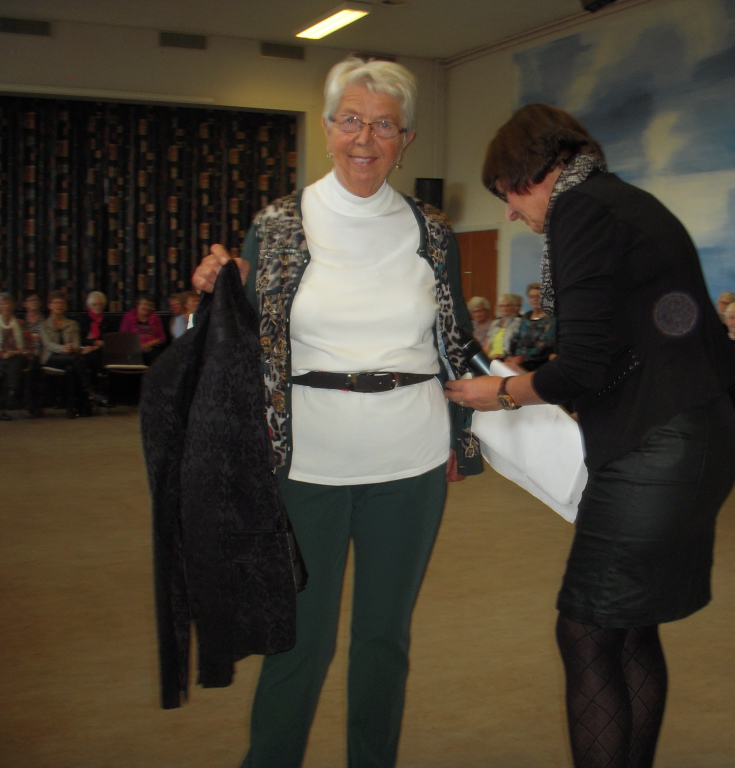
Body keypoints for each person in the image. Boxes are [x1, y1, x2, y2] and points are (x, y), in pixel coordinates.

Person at [191, 57, 480, 768]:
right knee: (299, 639)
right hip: (305, 464)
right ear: (326, 128)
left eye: (384, 125)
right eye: (351, 120)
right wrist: (212, 295)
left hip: (410, 461)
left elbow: (454, 341)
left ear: (406, 140)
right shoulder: (277, 225)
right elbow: (234, 342)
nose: (365, 138)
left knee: (384, 638)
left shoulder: (432, 231)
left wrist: (464, 439)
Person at [444, 103, 735, 768]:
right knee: (628, 627)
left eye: (507, 194)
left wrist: (498, 393)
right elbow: (620, 344)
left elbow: (581, 366)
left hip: (657, 448)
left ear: (534, 169)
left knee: (586, 633)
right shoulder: (622, 202)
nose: (510, 214)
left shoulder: (581, 210)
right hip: (694, 438)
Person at [39, 290, 92, 418]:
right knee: (74, 359)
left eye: (62, 303)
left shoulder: (72, 324)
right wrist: (63, 348)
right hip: (51, 358)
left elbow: (77, 343)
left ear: (65, 306)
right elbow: (48, 344)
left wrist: (71, 347)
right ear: (50, 305)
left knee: (70, 369)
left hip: (69, 357)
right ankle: (88, 391)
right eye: (56, 303)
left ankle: (71, 408)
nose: (59, 305)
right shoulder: (43, 324)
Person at [79, 290, 118, 405]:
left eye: (100, 304)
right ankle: (94, 394)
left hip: (104, 351)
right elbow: (80, 339)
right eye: (95, 304)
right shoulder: (83, 320)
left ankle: (100, 395)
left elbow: (111, 340)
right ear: (89, 306)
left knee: (97, 356)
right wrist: (95, 342)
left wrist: (94, 346)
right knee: (89, 358)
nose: (98, 307)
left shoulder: (109, 321)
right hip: (85, 350)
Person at [506, 282, 555, 371]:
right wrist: (509, 355)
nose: (535, 299)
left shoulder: (550, 320)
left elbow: (544, 345)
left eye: (538, 296)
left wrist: (524, 358)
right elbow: (515, 339)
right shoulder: (525, 317)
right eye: (532, 296)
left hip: (536, 363)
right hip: (517, 361)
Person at [119, 292, 167, 364]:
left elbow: (162, 337)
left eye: (150, 305)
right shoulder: (128, 317)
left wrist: (149, 344)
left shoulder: (156, 319)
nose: (147, 307)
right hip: (133, 348)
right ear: (138, 305)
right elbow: (123, 337)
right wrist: (139, 346)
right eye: (145, 304)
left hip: (152, 348)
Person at [0, 293, 26, 420]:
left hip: (17, 356)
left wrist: (15, 352)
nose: (6, 306)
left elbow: (28, 344)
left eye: (8, 303)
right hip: (1, 356)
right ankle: (10, 396)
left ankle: (12, 392)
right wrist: (3, 354)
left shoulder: (20, 323)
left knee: (16, 360)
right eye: (3, 303)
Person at [19, 292, 44, 417]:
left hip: (40, 352)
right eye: (31, 300)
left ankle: (33, 405)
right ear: (25, 304)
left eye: (36, 300)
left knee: (33, 367)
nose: (34, 302)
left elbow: (46, 339)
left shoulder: (44, 321)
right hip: (24, 352)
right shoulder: (20, 321)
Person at [485, 293, 523, 359]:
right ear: (498, 308)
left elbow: (518, 347)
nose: (504, 308)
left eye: (507, 305)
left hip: (506, 359)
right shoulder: (494, 324)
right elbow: (487, 347)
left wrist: (501, 356)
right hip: (491, 358)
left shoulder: (518, 322)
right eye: (501, 306)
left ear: (512, 307)